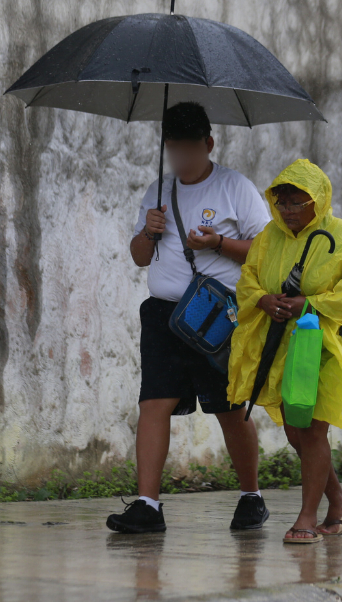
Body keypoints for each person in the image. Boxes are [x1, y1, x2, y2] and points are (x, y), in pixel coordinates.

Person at [107, 102, 271, 534]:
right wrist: (149, 230)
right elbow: (139, 257)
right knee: (154, 403)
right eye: (173, 149)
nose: (181, 159)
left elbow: (265, 250)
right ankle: (147, 505)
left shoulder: (236, 188)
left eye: (188, 149)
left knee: (230, 408)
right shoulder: (157, 193)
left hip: (218, 312)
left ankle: (251, 496)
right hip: (164, 315)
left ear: (208, 144)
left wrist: (218, 243)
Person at [227, 158, 342, 544]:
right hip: (285, 348)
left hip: (333, 346)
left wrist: (309, 304)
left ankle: (307, 518)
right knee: (296, 430)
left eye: (297, 202)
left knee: (311, 428)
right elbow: (247, 280)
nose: (288, 211)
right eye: (282, 203)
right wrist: (262, 301)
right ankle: (338, 500)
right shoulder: (268, 238)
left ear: (318, 201)